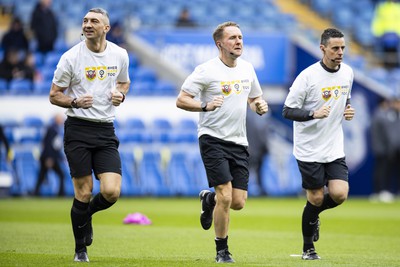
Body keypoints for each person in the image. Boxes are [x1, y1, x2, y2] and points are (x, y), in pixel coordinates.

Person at [176, 21, 268, 263]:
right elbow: (182, 99)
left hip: (239, 141)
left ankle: (208, 200)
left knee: (237, 202)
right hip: (212, 138)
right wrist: (204, 105)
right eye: (233, 38)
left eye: (240, 37)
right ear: (220, 44)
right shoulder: (206, 70)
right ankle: (222, 251)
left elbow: (254, 96)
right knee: (225, 196)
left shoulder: (247, 68)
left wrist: (258, 105)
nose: (239, 41)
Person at [49, 7, 130, 262]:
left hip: (105, 129)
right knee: (83, 192)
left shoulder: (119, 54)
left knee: (111, 192)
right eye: (85, 20)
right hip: (78, 128)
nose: (88, 24)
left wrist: (121, 94)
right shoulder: (71, 57)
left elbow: (125, 81)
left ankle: (87, 215)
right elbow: (54, 94)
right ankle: (80, 250)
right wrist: (73, 102)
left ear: (106, 28)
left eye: (94, 21)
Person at [282, 28, 355, 260]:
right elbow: (287, 110)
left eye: (342, 48)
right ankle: (308, 248)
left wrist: (347, 109)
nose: (340, 52)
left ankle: (313, 215)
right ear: (323, 49)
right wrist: (313, 113)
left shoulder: (348, 73)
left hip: (333, 146)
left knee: (340, 194)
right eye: (335, 48)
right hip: (309, 148)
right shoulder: (307, 76)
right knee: (314, 198)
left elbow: (345, 98)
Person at [33, 113, 65, 197]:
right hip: (49, 158)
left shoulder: (56, 129)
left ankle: (36, 193)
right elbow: (48, 145)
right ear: (56, 119)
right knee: (59, 174)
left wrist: (61, 157)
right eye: (60, 118)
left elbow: (56, 146)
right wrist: (49, 158)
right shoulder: (52, 129)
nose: (62, 120)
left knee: (42, 175)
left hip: (50, 157)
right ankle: (60, 194)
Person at [370, 97, 395, 202]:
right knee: (382, 170)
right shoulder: (381, 115)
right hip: (382, 148)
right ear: (383, 103)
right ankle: (380, 191)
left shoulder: (377, 114)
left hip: (380, 147)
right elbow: (386, 134)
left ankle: (379, 191)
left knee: (381, 170)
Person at [246, 105, 269, 196]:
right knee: (255, 170)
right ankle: (258, 188)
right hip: (255, 148)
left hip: (253, 148)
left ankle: (248, 189)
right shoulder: (259, 117)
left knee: (250, 170)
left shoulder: (248, 115)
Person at [371, 0, 400, 68]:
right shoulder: (382, 7)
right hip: (384, 35)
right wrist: (377, 33)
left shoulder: (398, 7)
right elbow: (377, 21)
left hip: (397, 36)